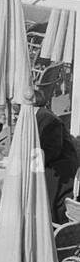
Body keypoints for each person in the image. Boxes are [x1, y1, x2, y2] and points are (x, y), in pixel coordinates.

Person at [34, 89, 80, 221]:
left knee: (39, 185)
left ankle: (42, 220)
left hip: (61, 169)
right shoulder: (39, 117)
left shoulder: (48, 120)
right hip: (53, 163)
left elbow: (51, 151)